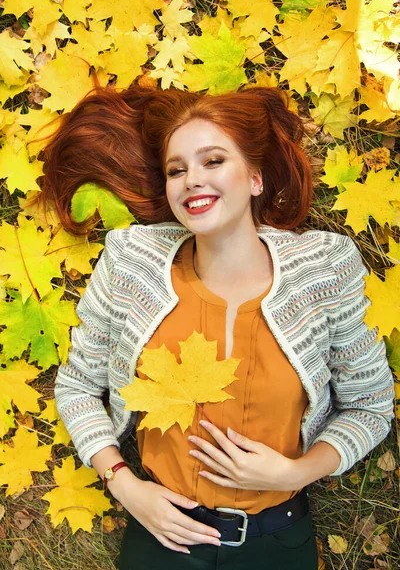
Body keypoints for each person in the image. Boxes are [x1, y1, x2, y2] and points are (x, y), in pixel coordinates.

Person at [41, 85, 395, 570]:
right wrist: (124, 484)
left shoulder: (325, 272)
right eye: (176, 170)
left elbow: (370, 406)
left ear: (253, 178)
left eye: (212, 161)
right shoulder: (131, 264)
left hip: (276, 534)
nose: (191, 180)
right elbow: (79, 385)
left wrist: (296, 470)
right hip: (163, 533)